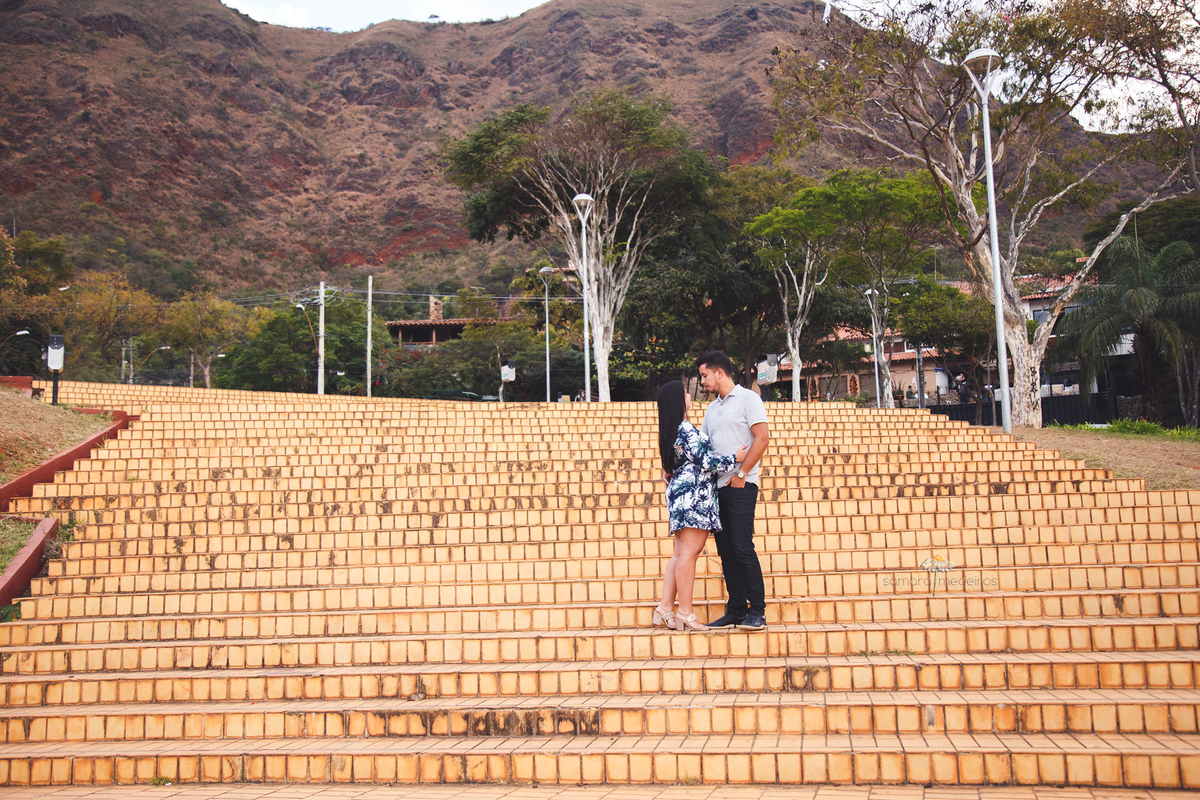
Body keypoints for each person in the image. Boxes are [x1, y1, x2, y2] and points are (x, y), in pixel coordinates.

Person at [652, 381, 748, 632]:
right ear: (677, 399)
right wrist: (734, 459)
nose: (688, 394)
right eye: (684, 391)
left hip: (681, 494)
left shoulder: (672, 429)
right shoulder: (684, 428)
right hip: (694, 495)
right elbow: (705, 461)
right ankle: (685, 611)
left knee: (680, 553)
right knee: (689, 554)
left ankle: (665, 606)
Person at [696, 351, 771, 631]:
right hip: (715, 489)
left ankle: (757, 611)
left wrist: (740, 474)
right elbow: (703, 448)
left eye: (705, 375)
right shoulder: (712, 408)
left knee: (742, 548)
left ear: (719, 372)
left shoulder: (749, 399)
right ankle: (737, 610)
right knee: (726, 552)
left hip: (740, 486)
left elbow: (762, 439)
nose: (702, 381)